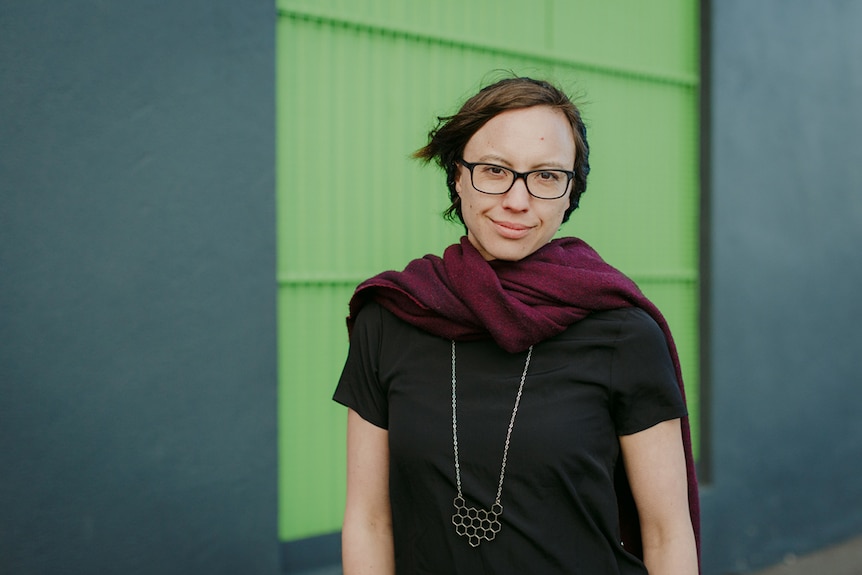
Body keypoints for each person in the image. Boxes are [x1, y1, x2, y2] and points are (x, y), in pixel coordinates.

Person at [334, 76, 700, 574]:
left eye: (546, 176)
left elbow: (666, 531)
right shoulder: (393, 316)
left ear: (571, 193)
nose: (517, 200)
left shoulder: (623, 332)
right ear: (457, 176)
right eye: (494, 170)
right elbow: (369, 519)